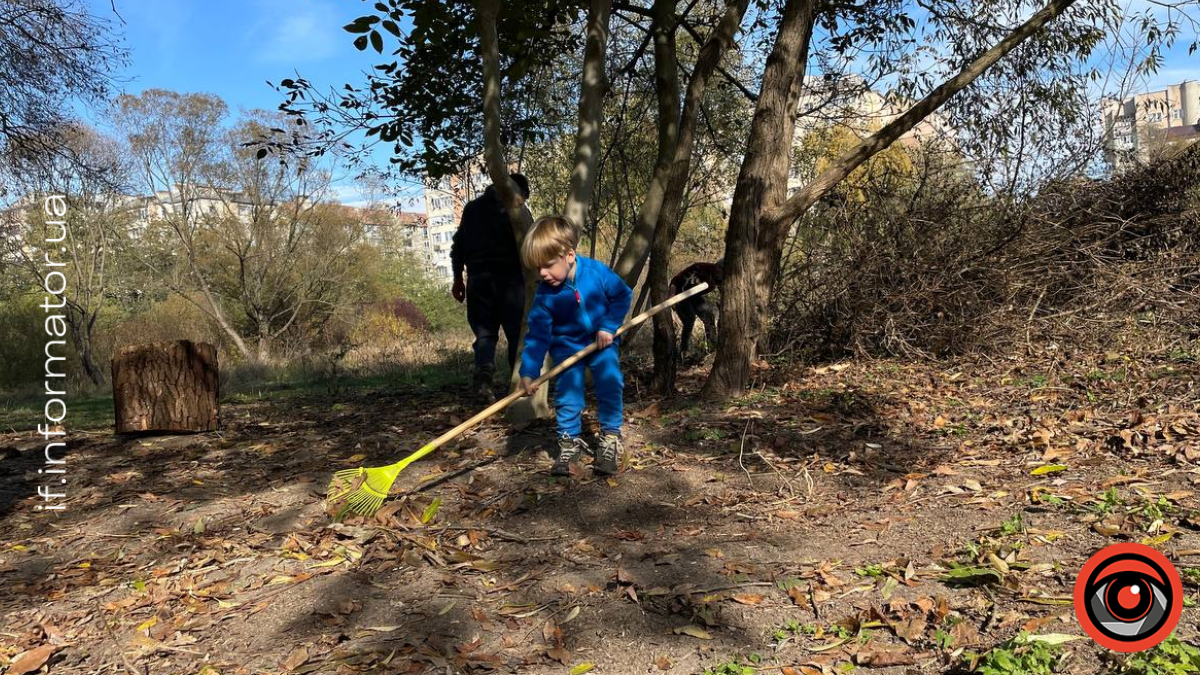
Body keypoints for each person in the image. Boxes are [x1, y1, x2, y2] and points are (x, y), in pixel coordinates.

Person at [517, 216, 633, 477]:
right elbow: (537, 336)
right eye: (538, 269)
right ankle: (569, 444)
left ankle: (610, 438)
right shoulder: (545, 295)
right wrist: (529, 372)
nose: (543, 274)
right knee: (568, 394)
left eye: (547, 266)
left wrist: (608, 326)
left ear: (569, 254)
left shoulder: (596, 273)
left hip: (601, 342)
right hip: (567, 348)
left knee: (610, 382)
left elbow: (622, 295)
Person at [450, 173, 530, 402]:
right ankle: (518, 384)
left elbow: (458, 247)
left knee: (485, 335)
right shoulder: (518, 211)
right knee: (517, 333)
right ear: (518, 192)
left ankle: (484, 380)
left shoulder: (472, 209)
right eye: (523, 197)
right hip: (511, 283)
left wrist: (458, 278)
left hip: (478, 281)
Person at [668, 257, 724, 358]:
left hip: (695, 296)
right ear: (717, 267)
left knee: (708, 316)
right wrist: (672, 297)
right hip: (680, 293)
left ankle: (711, 347)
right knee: (690, 318)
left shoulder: (720, 279)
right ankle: (684, 352)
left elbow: (724, 293)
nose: (719, 276)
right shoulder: (699, 268)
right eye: (719, 271)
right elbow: (675, 280)